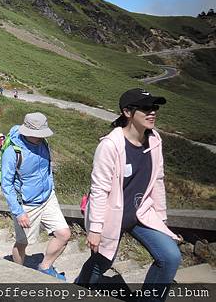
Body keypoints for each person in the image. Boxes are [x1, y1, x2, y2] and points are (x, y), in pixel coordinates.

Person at [76, 89, 181, 300]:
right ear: (127, 112)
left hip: (140, 213)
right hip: (110, 217)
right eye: (145, 108)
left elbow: (158, 181)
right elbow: (99, 190)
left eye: (155, 108)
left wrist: (161, 218)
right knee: (102, 263)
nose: (152, 112)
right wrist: (95, 229)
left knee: (170, 257)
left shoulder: (154, 140)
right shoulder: (109, 145)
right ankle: (78, 289)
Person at [1, 112, 71, 280]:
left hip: (47, 198)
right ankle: (17, 275)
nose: (41, 137)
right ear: (27, 132)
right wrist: (18, 212)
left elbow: (47, 169)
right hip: (27, 204)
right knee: (22, 243)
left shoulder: (43, 143)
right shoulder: (13, 152)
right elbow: (6, 184)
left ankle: (45, 267)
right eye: (38, 135)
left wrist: (51, 188)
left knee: (64, 234)